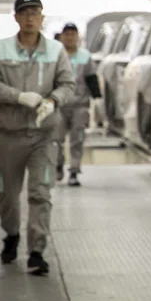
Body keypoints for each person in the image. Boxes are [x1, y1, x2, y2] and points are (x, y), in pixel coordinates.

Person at [0, 0, 74, 276]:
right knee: (8, 195)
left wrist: (52, 100)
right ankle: (11, 235)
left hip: (42, 137)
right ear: (16, 18)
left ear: (42, 18)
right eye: (25, 13)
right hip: (8, 136)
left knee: (40, 193)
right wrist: (19, 97)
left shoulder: (56, 51)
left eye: (35, 12)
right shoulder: (1, 49)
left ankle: (37, 251)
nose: (30, 17)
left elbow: (68, 85)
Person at [55, 22, 100, 186]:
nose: (70, 37)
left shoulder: (85, 56)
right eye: (67, 34)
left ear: (77, 37)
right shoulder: (56, 55)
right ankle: (57, 165)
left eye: (73, 34)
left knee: (77, 139)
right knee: (56, 139)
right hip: (59, 104)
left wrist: (98, 99)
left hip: (80, 104)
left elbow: (92, 79)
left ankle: (74, 170)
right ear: (62, 37)